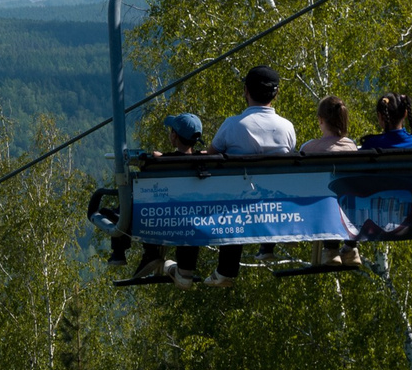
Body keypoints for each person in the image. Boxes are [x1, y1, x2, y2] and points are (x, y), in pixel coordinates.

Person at [207, 66, 296, 285]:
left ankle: (226, 269)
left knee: (233, 204)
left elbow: (210, 155)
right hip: (276, 204)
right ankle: (268, 244)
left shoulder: (232, 125)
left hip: (237, 203)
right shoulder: (287, 128)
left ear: (246, 91)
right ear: (276, 93)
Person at [117, 113, 214, 283]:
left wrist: (158, 158)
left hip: (163, 217)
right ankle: (183, 270)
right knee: (189, 219)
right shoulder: (204, 162)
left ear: (174, 136)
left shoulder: (163, 162)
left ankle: (129, 252)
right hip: (198, 217)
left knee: (118, 210)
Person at [299, 96, 363, 268]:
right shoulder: (351, 147)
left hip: (319, 205)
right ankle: (351, 248)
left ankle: (331, 251)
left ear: (321, 120)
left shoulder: (309, 148)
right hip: (349, 204)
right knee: (343, 198)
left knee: (327, 199)